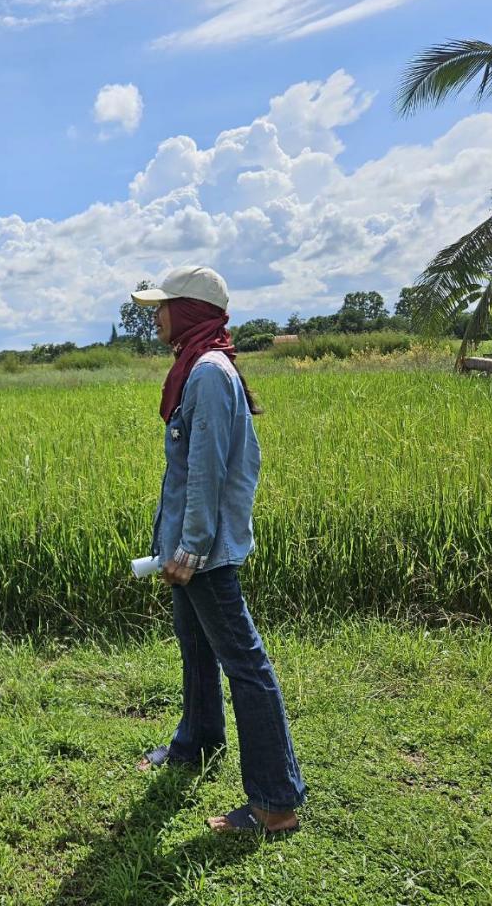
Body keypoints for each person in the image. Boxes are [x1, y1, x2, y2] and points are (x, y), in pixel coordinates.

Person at [130, 266, 306, 837]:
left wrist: (190, 547)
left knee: (244, 664)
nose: (154, 315)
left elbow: (209, 468)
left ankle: (276, 802)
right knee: (196, 644)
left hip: (202, 549)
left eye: (163, 306)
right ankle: (198, 741)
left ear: (190, 311)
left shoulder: (206, 372)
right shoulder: (201, 364)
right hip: (191, 543)